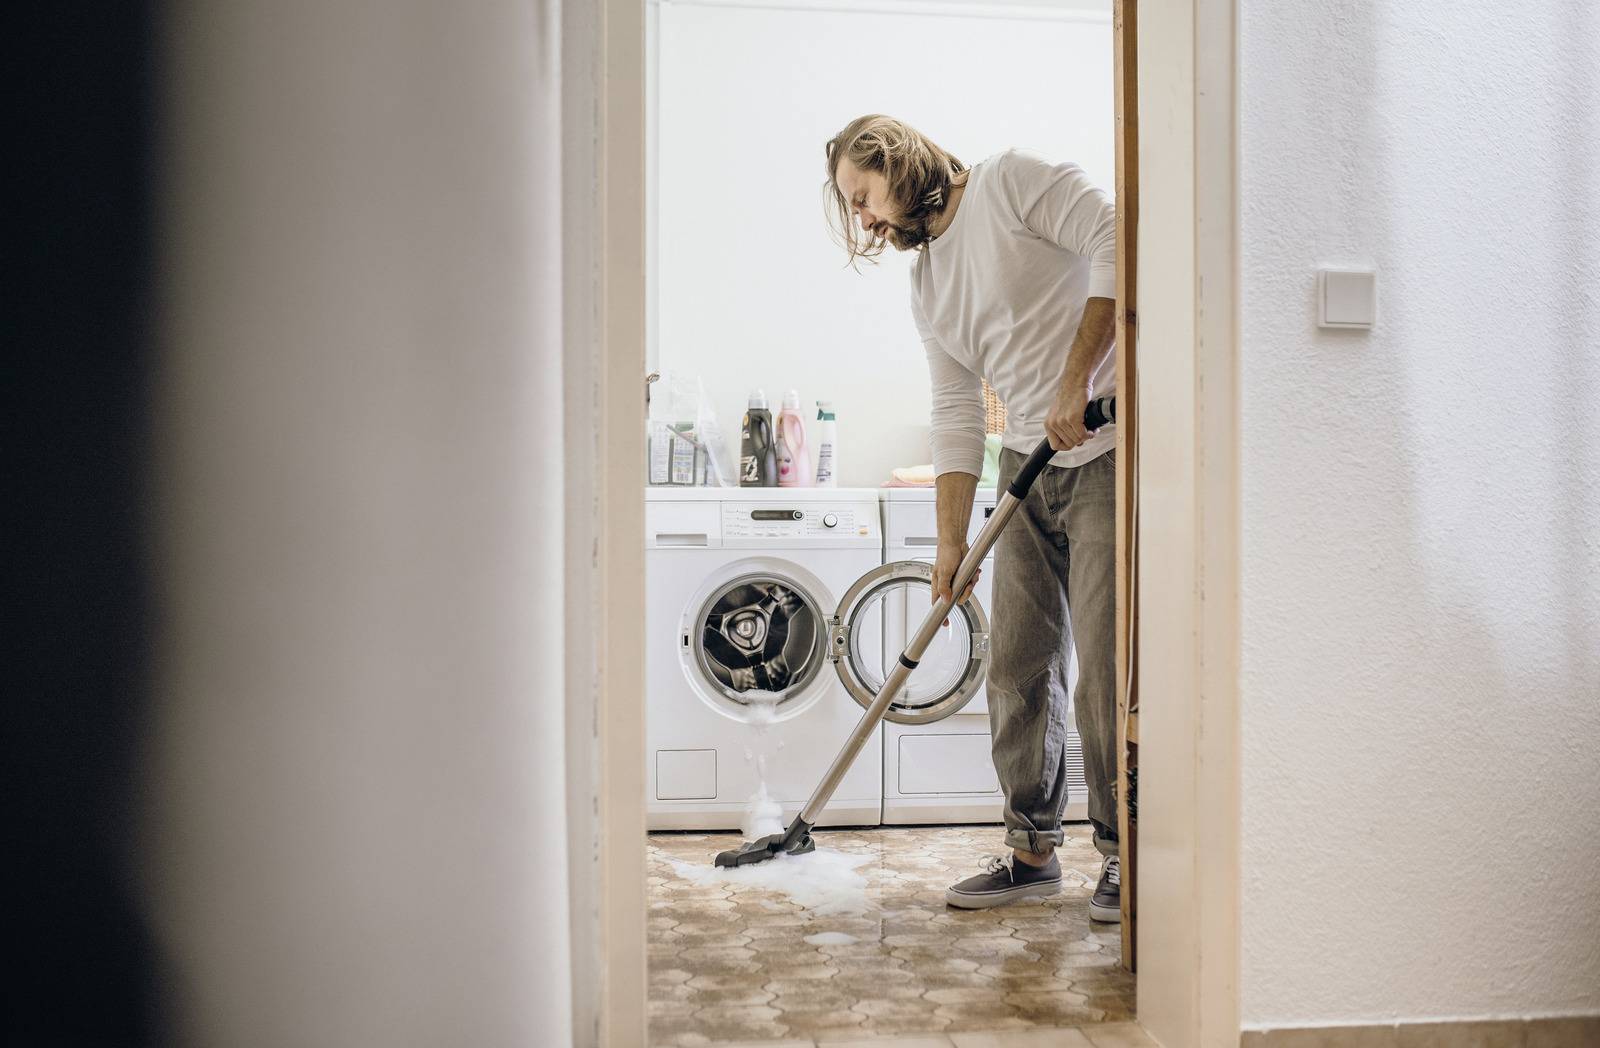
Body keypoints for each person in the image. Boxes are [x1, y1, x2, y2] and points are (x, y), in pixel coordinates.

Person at [825, 115, 1121, 920]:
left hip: (1106, 452)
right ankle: (1031, 853)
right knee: (1017, 669)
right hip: (1025, 474)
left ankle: (1126, 856)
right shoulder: (927, 285)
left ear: (896, 161)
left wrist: (1075, 382)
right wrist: (951, 545)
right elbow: (957, 411)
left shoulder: (1010, 182)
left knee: (1105, 671)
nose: (865, 219)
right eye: (853, 208)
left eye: (864, 196)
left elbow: (1117, 237)